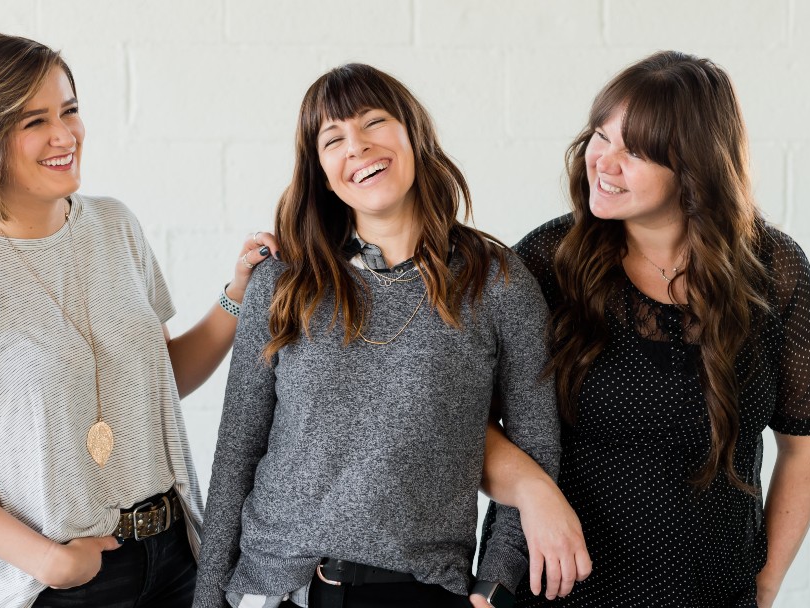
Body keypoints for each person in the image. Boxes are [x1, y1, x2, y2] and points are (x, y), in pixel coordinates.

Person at [0, 32, 279, 608]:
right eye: (34, 121)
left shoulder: (116, 226)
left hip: (175, 555)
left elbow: (159, 380)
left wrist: (238, 298)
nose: (65, 136)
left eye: (69, 111)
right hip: (64, 581)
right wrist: (47, 560)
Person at [192, 63, 567, 608]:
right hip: (272, 587)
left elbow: (536, 446)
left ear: (412, 132)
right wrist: (208, 602)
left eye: (374, 122)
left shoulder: (498, 282)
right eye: (334, 139)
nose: (359, 147)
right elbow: (236, 455)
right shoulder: (283, 283)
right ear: (321, 171)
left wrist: (496, 584)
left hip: (418, 588)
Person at [480, 51, 810, 607]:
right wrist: (533, 495)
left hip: (710, 594)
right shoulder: (549, 262)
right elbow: (461, 419)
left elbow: (807, 446)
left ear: (695, 168)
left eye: (636, 151)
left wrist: (764, 585)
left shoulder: (774, 271)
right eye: (600, 137)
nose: (603, 162)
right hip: (557, 592)